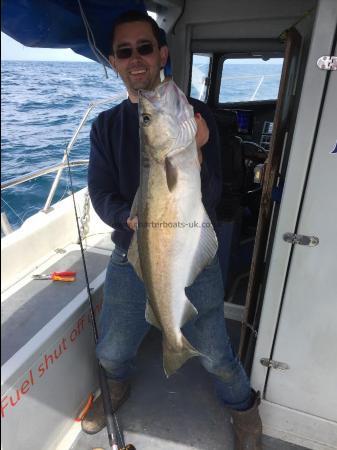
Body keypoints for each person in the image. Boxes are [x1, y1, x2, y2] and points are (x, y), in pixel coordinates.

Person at [84, 10, 262, 449]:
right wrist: (126, 216)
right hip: (133, 250)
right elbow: (101, 191)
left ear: (162, 52)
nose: (136, 58)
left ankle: (244, 409)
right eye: (124, 52)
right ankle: (118, 382)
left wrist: (197, 149)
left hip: (187, 247)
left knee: (219, 355)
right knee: (111, 351)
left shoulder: (195, 117)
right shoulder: (106, 126)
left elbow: (216, 192)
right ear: (114, 61)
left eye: (144, 47)